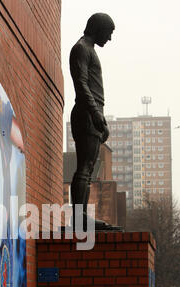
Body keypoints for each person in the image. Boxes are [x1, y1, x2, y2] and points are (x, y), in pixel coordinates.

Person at [70, 13, 115, 231]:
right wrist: (96, 113)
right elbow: (81, 84)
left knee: (89, 168)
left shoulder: (89, 50)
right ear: (98, 28)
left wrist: (100, 117)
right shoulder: (81, 49)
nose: (109, 38)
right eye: (109, 33)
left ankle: (82, 217)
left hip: (93, 114)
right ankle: (79, 219)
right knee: (84, 168)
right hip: (87, 113)